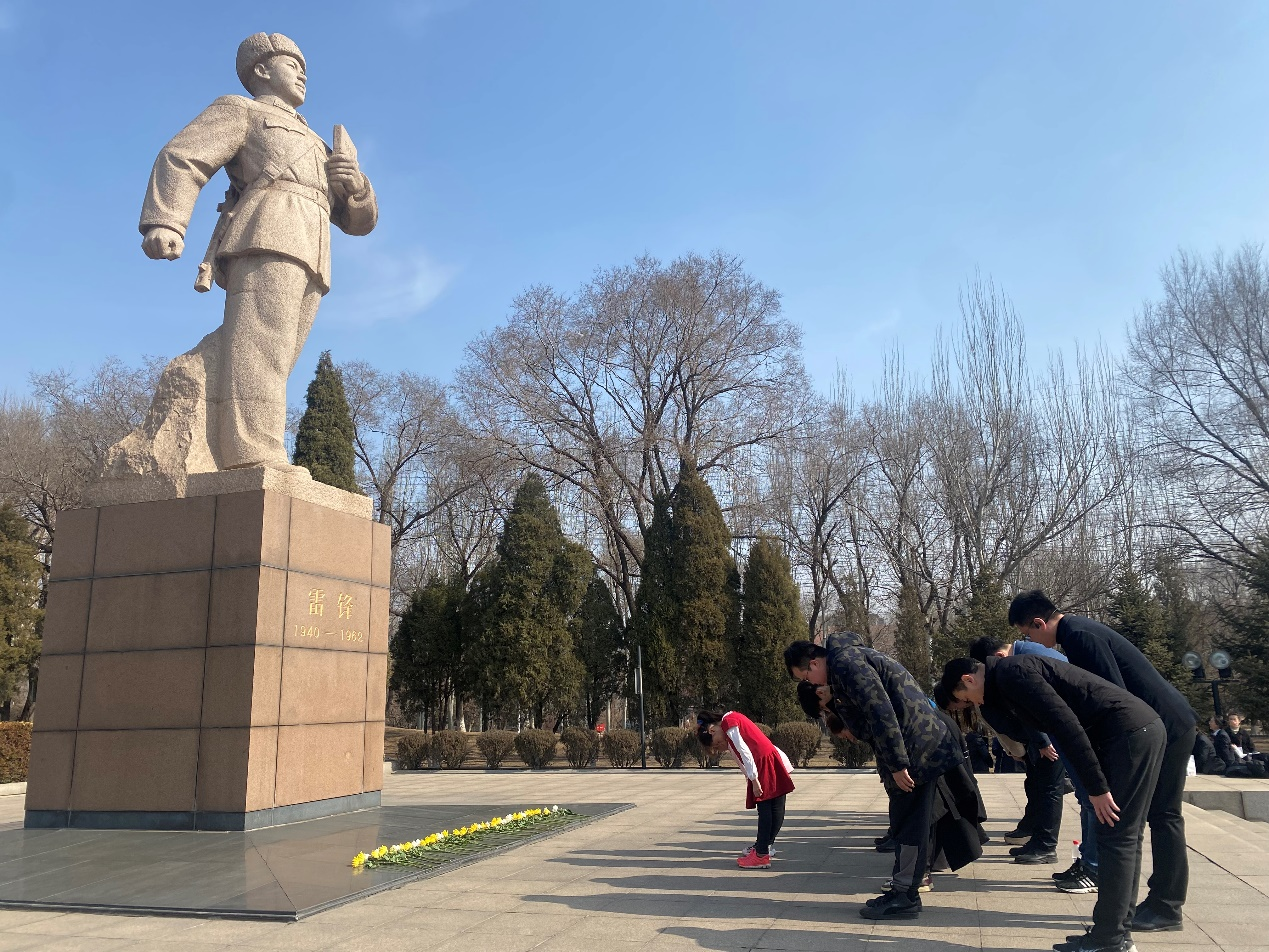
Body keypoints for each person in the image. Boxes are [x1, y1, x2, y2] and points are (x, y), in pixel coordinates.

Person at [120, 32, 378, 478]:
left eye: (304, 68)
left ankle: (240, 435)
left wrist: (354, 185)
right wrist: (166, 220)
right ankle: (251, 453)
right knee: (260, 348)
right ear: (261, 70)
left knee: (277, 356)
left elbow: (358, 222)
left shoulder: (318, 142)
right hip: (265, 232)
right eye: (291, 64)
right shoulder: (242, 110)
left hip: (313, 246)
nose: (302, 73)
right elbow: (183, 157)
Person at [942, 655, 1165, 952]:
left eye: (967, 698)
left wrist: (1096, 787)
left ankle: (1109, 939)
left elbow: (1065, 724)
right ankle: (1116, 934)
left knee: (1116, 836)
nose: (973, 703)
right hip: (1136, 730)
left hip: (1127, 734)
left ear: (969, 680)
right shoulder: (1007, 676)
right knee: (1124, 836)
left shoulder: (1012, 673)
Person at [1009, 589, 1195, 933]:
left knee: (1162, 815)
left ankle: (1166, 905)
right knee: (1161, 815)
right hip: (1166, 721)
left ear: (1038, 622)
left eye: (1028, 634)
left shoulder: (1078, 636)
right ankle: (1161, 903)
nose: (1031, 640)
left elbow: (1112, 697)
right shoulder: (1078, 631)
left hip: (1166, 725)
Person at [786, 634, 963, 920]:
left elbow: (881, 712)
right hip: (916, 745)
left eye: (806, 675)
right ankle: (904, 890)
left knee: (909, 822)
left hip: (915, 748)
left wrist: (897, 763)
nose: (813, 683)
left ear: (815, 662)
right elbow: (866, 724)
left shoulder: (846, 664)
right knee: (907, 821)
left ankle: (905, 894)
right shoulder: (850, 662)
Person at [970, 636, 1096, 889]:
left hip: (1059, 731)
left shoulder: (1018, 662)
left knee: (1051, 788)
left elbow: (1036, 702)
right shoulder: (1026, 653)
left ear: (998, 657)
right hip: (1055, 729)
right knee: (1041, 784)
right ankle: (1040, 840)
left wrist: (1043, 740)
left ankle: (1048, 846)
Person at [696, 710, 795, 869]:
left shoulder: (729, 723)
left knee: (765, 809)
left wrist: (754, 780)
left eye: (716, 743)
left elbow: (744, 750)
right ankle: (764, 848)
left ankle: (761, 854)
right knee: (776, 807)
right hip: (769, 758)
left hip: (760, 763)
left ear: (712, 730)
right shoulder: (735, 716)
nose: (720, 747)